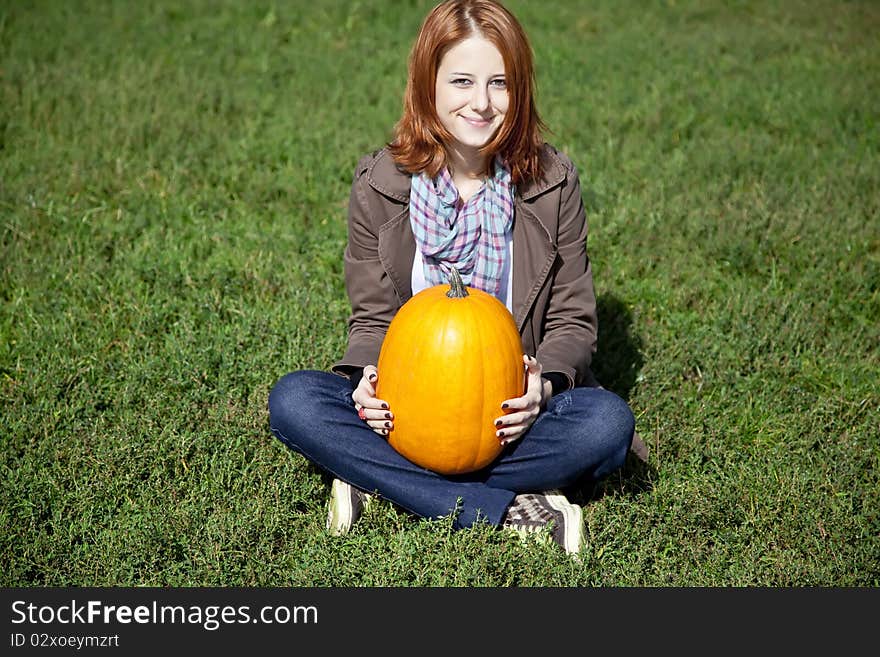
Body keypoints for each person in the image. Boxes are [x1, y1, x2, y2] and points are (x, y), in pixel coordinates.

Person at [268, 0, 639, 556]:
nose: (482, 103)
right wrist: (369, 377)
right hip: (407, 414)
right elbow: (373, 317)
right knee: (294, 400)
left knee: (607, 424)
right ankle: (511, 508)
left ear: (520, 90)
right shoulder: (381, 185)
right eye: (462, 81)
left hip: (510, 416)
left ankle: (383, 484)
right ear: (428, 84)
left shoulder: (551, 184)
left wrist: (544, 387)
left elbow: (572, 320)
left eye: (500, 83)